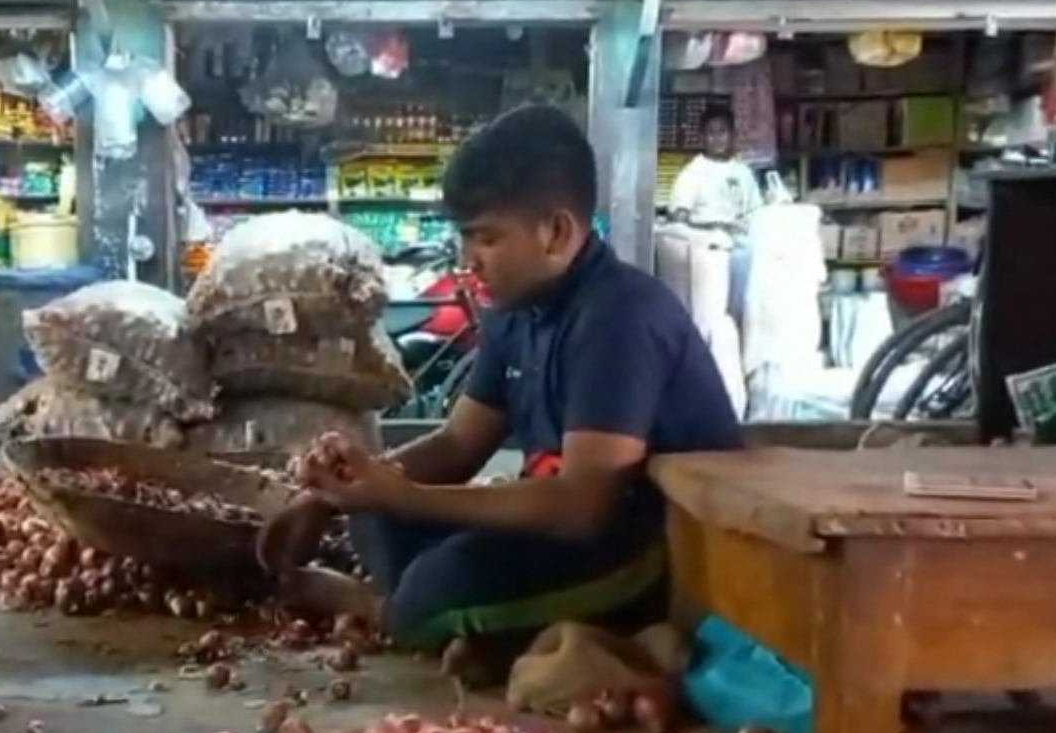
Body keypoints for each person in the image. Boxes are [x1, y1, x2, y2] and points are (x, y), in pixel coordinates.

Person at [257, 105, 744, 669]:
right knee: (379, 515)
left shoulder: (618, 317)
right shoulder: (517, 310)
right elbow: (459, 445)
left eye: (485, 239)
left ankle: (382, 608)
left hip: (641, 553)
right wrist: (331, 498)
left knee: (431, 590)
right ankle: (488, 630)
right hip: (562, 527)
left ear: (556, 232)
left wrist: (401, 493)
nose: (469, 262)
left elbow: (584, 508)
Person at [665, 105, 764, 232]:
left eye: (722, 131)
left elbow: (757, 215)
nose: (717, 138)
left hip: (741, 246)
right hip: (702, 247)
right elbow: (677, 222)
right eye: (711, 132)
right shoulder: (692, 174)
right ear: (702, 137)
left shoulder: (744, 172)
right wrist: (715, 228)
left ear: (733, 135)